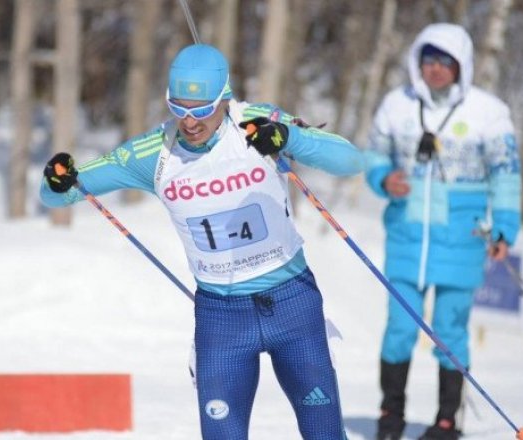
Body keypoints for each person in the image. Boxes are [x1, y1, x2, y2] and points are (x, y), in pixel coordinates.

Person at [40, 43, 364, 439]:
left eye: (201, 109)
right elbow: (58, 193)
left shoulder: (258, 123)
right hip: (222, 319)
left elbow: (350, 162)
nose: (189, 122)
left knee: (325, 434)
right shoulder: (154, 153)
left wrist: (289, 140)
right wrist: (57, 178)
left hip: (292, 304)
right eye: (178, 108)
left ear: (224, 98)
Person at [363, 24, 521, 440]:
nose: (434, 70)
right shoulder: (396, 105)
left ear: (461, 66)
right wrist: (383, 179)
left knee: (450, 330)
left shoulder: (489, 112)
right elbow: (375, 157)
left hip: (462, 241)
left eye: (444, 62)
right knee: (399, 328)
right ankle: (390, 415)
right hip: (406, 237)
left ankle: (447, 420)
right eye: (428, 60)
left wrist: (505, 229)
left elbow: (507, 176)